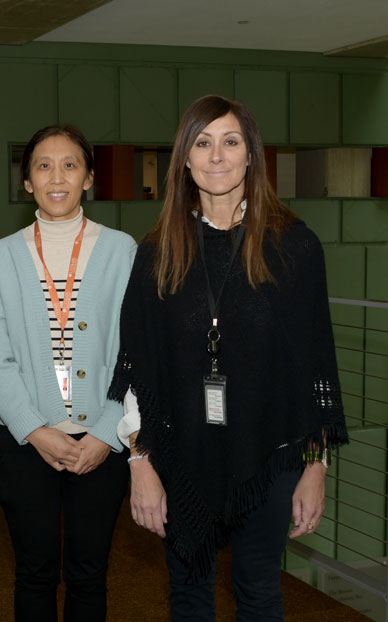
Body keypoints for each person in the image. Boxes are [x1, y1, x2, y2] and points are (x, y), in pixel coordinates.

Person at [108, 95, 349, 620]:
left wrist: (315, 466)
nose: (217, 156)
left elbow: (315, 371)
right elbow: (138, 371)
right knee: (189, 594)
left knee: (259, 589)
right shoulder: (157, 253)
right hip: (181, 452)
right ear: (186, 160)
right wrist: (140, 462)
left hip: (269, 452)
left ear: (251, 156)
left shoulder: (295, 247)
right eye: (203, 142)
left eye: (231, 142)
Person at [0, 125, 136, 621]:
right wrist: (34, 429)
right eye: (43, 166)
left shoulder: (123, 250)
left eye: (70, 164)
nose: (57, 176)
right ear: (27, 182)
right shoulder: (2, 257)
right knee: (35, 572)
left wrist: (109, 433)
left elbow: (137, 351)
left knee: (90, 573)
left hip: (102, 443)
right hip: (26, 443)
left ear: (89, 176)